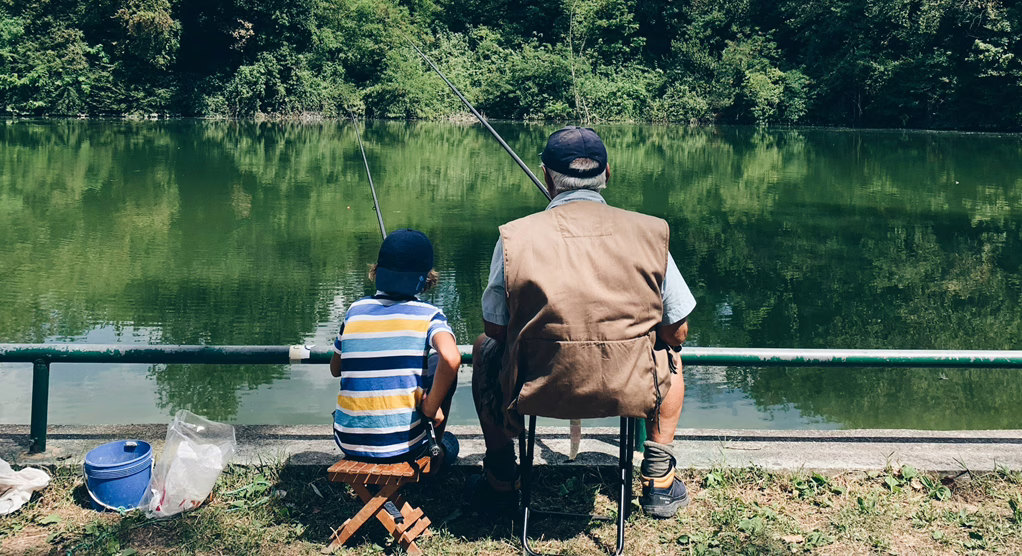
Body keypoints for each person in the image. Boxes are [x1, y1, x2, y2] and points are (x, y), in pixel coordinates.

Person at [470, 127, 696, 518]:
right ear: (608, 173)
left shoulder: (513, 238)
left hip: (536, 388)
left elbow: (495, 330)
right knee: (671, 357)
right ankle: (659, 480)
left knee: (484, 350)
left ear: (545, 176)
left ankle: (502, 476)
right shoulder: (651, 232)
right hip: (630, 388)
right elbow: (676, 331)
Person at [330, 229, 461, 467]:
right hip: (404, 448)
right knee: (452, 442)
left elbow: (335, 369)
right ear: (426, 278)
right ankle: (435, 456)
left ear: (377, 271)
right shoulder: (430, 316)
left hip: (347, 441)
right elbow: (451, 359)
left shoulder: (355, 311)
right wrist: (431, 407)